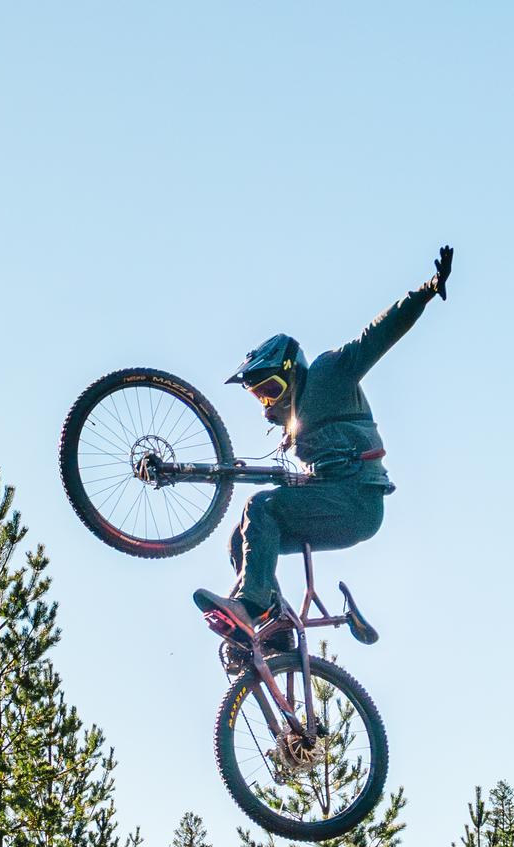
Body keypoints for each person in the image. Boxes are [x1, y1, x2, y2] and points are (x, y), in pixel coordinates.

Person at [192, 246, 451, 652]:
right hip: (335, 498)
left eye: (272, 389)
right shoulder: (293, 427)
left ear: (292, 373)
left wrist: (426, 291)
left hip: (358, 501)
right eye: (259, 397)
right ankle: (276, 629)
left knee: (261, 507)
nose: (269, 402)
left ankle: (251, 604)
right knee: (241, 538)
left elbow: (377, 335)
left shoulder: (329, 374)